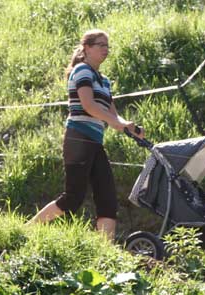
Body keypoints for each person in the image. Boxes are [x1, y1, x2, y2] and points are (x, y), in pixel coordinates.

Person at [28, 29, 144, 241]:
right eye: (101, 45)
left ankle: (105, 251)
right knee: (73, 198)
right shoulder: (82, 71)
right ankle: (27, 230)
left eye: (107, 46)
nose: (105, 50)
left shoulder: (105, 81)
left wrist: (131, 128)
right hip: (78, 138)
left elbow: (113, 116)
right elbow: (89, 106)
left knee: (108, 198)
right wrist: (118, 123)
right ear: (87, 48)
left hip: (95, 142)